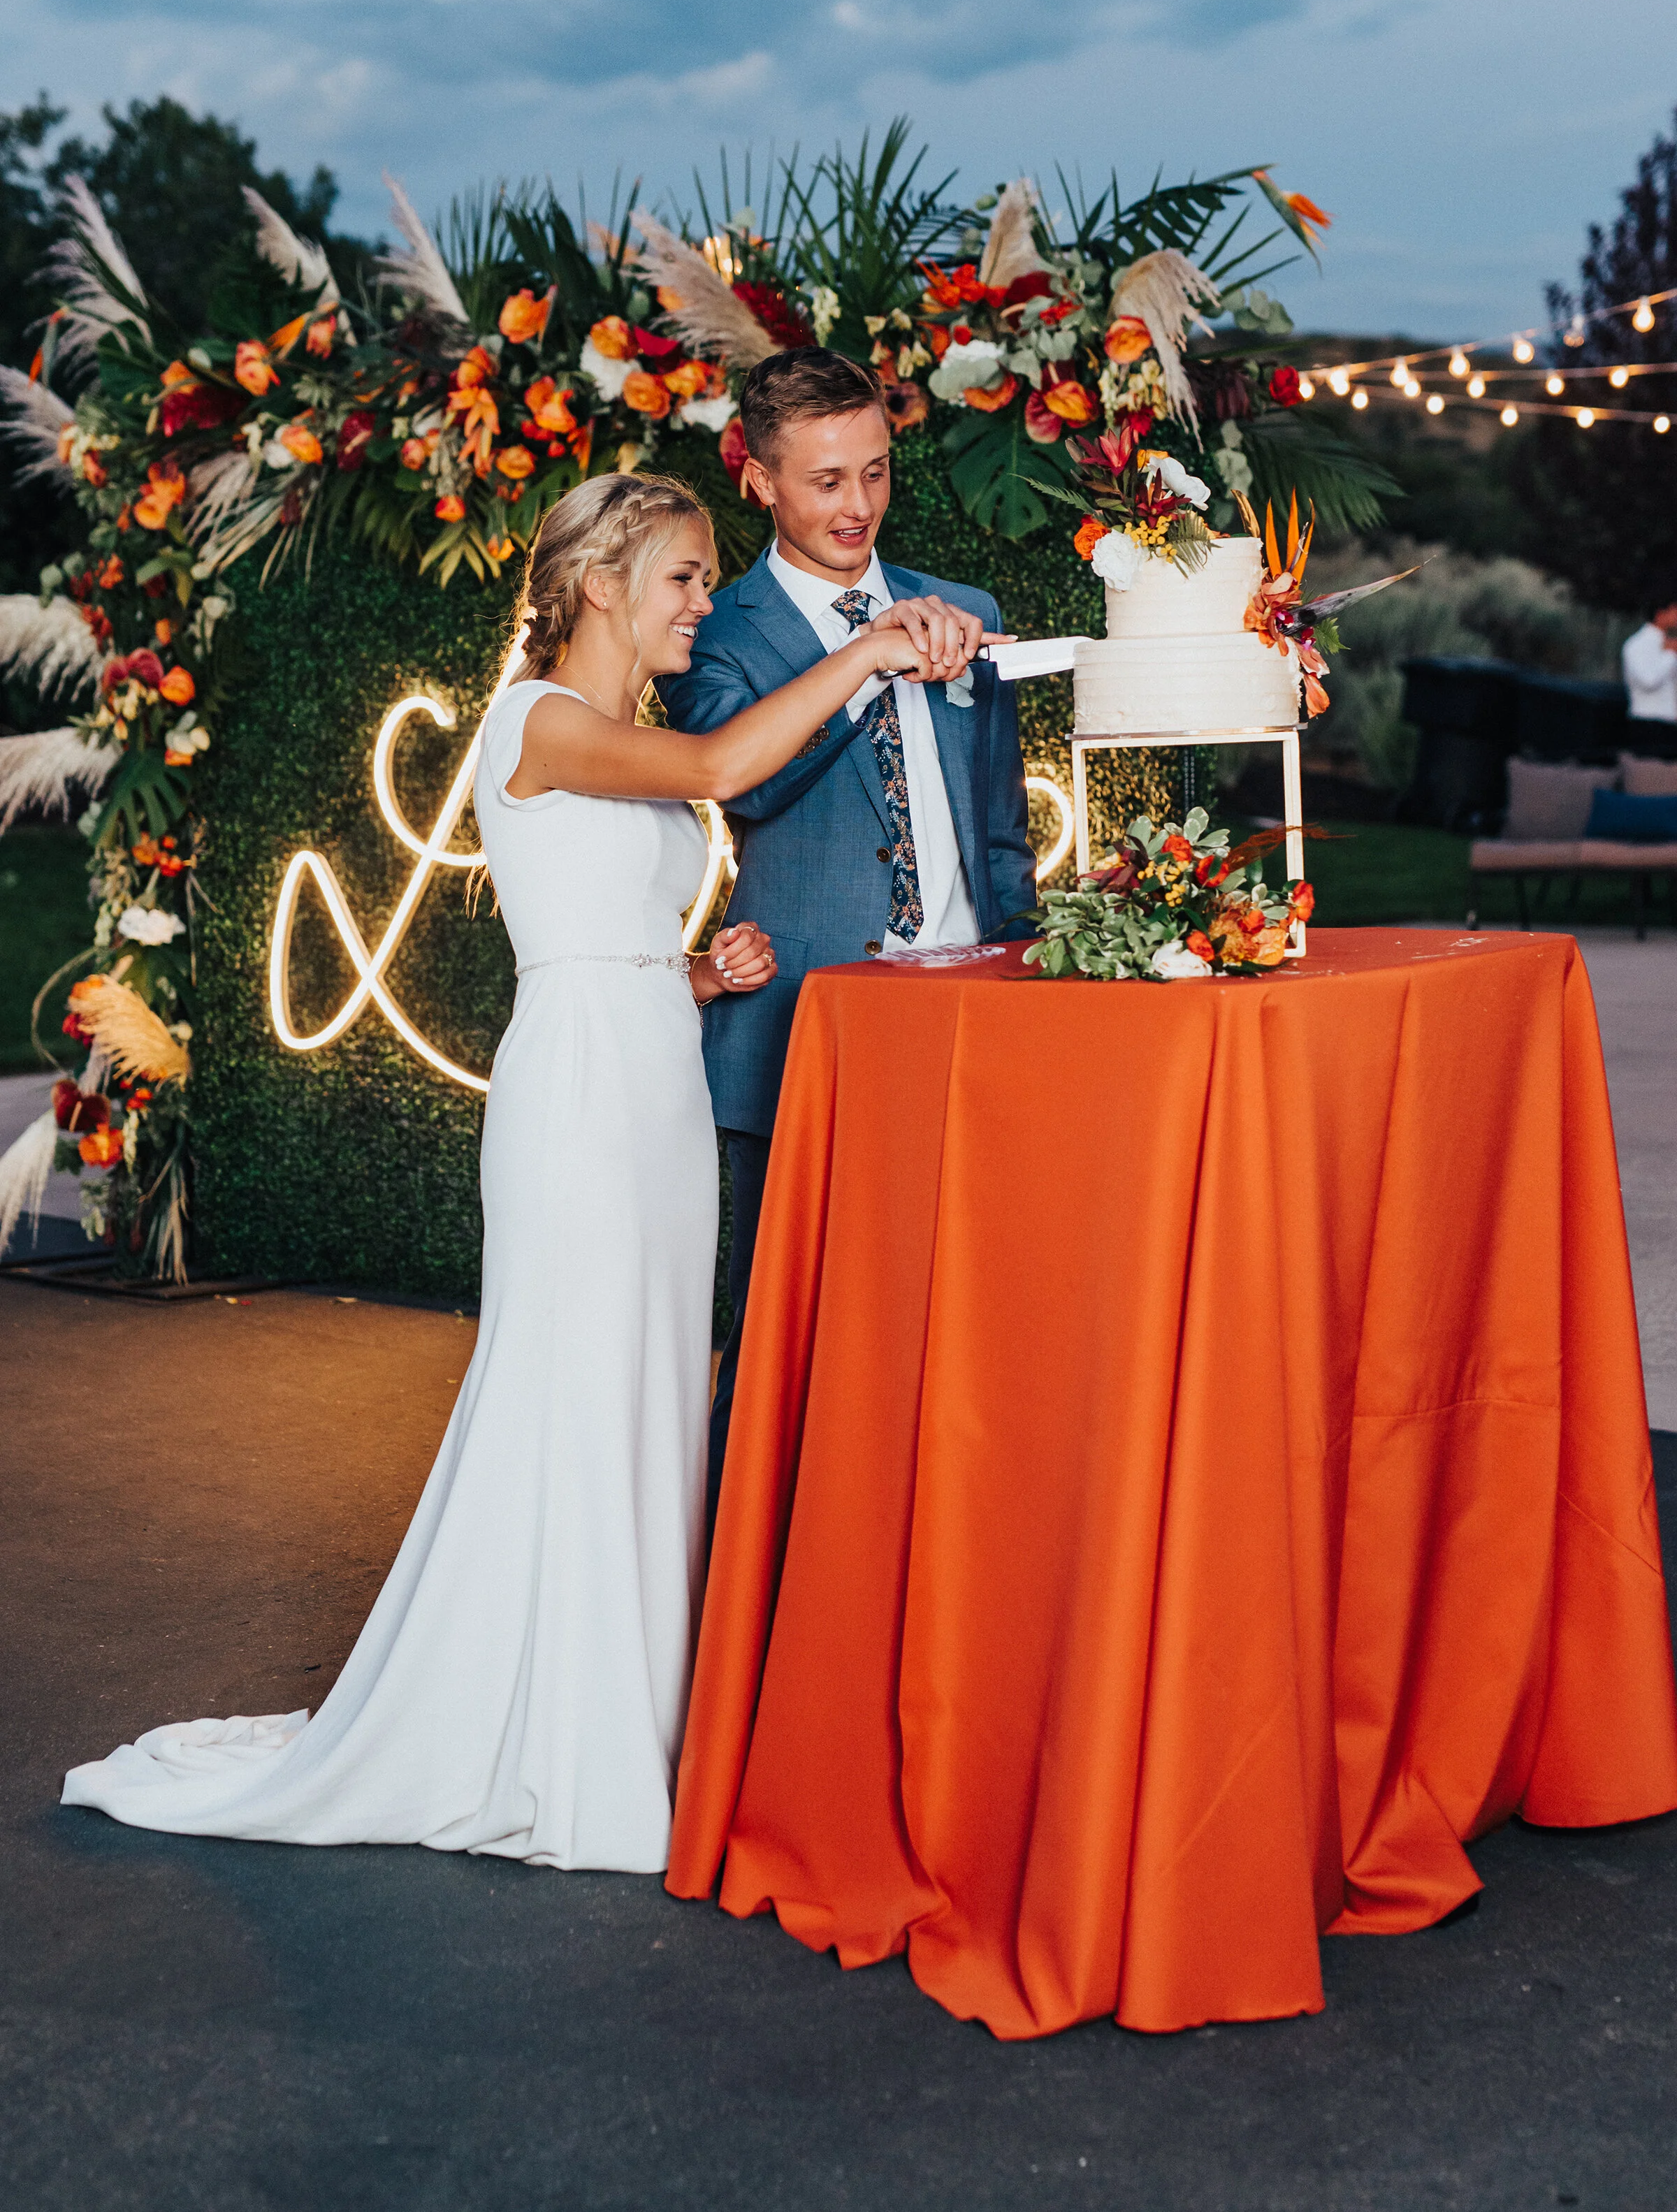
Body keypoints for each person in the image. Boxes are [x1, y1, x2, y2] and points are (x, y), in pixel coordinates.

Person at [63, 472, 973, 1874]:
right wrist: (865, 648)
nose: (698, 605)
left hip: (653, 1069)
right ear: (603, 580)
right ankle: (571, 1746)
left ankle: (638, 1718)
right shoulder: (537, 718)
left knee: (649, 1390)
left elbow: (600, 911)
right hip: (584, 1101)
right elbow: (728, 774)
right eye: (680, 577)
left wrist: (693, 967)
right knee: (579, 1389)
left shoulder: (619, 728)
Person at [659, 351, 1036, 1531]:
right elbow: (749, 787)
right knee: (786, 1342)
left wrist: (1026, 967)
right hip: (802, 1026)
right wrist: (866, 660)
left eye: (874, 472)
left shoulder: (965, 610)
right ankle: (746, 1617)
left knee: (969, 1334)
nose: (857, 506)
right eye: (825, 481)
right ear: (757, 481)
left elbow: (1002, 824)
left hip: (973, 1016)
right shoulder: (712, 632)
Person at [1622, 602, 1677, 739]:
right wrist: (1670, 655)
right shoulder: (1637, 644)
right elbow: (1648, 681)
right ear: (1660, 613)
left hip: (1670, 722)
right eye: (1675, 610)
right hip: (1649, 723)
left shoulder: (1669, 642)